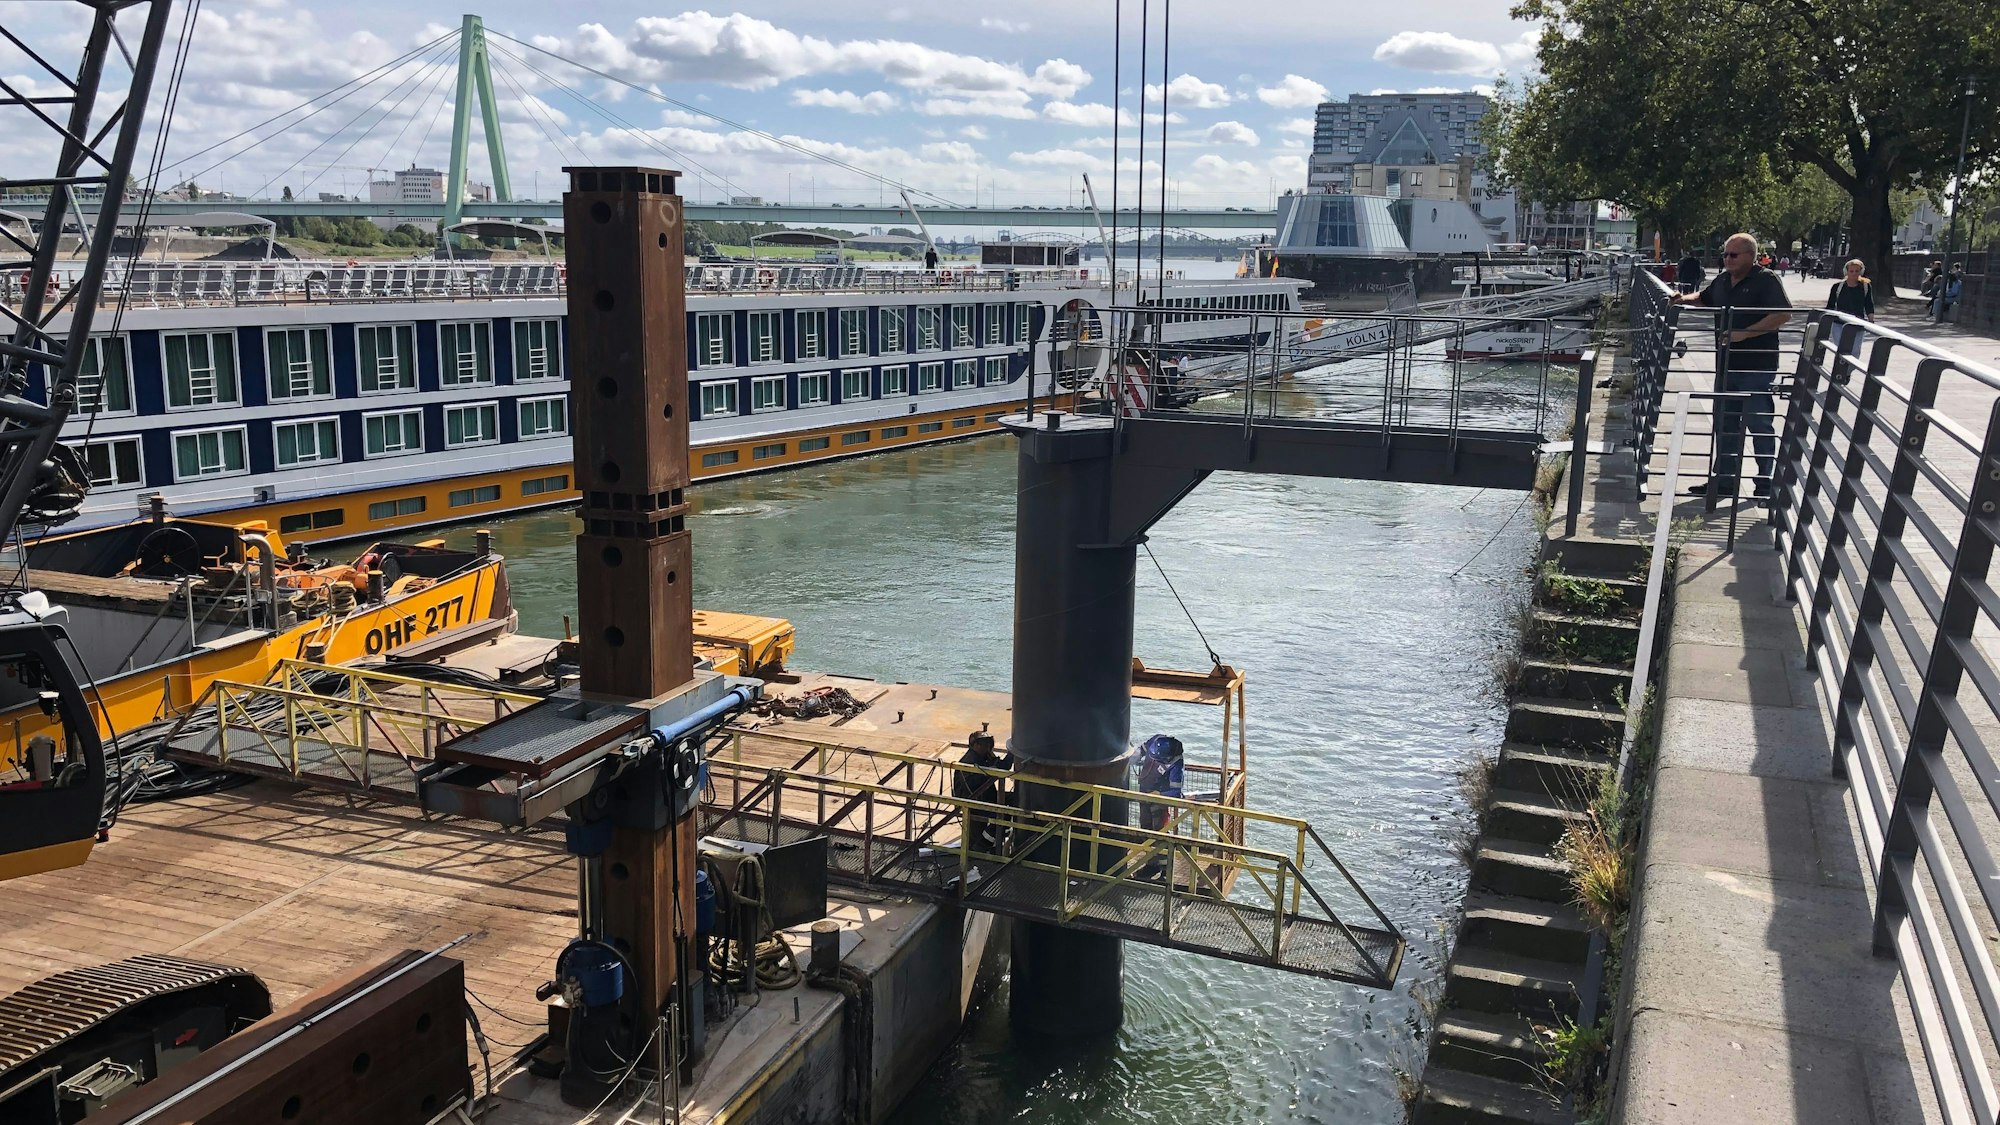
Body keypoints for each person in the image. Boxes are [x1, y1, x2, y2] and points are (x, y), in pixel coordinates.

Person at [1670, 232, 1792, 499]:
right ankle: (1724, 481)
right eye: (1724, 254)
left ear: (1751, 256)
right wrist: (1683, 299)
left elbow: (1783, 314)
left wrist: (1745, 333)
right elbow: (1705, 297)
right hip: (1726, 366)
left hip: (1757, 367)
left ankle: (1765, 483)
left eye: (1733, 255)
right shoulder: (1724, 279)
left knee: (1760, 424)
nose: (1727, 259)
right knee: (1725, 424)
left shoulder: (1765, 279)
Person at [1826, 258, 1874, 360]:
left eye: (1857, 271)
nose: (1854, 274)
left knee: (1855, 351)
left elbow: (1869, 304)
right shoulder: (1837, 287)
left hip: (1858, 323)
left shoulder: (1865, 286)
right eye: (1851, 271)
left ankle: (1848, 373)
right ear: (1846, 271)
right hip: (1839, 322)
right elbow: (1830, 305)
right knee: (1841, 349)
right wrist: (1827, 321)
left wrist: (1871, 320)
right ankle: (1840, 372)